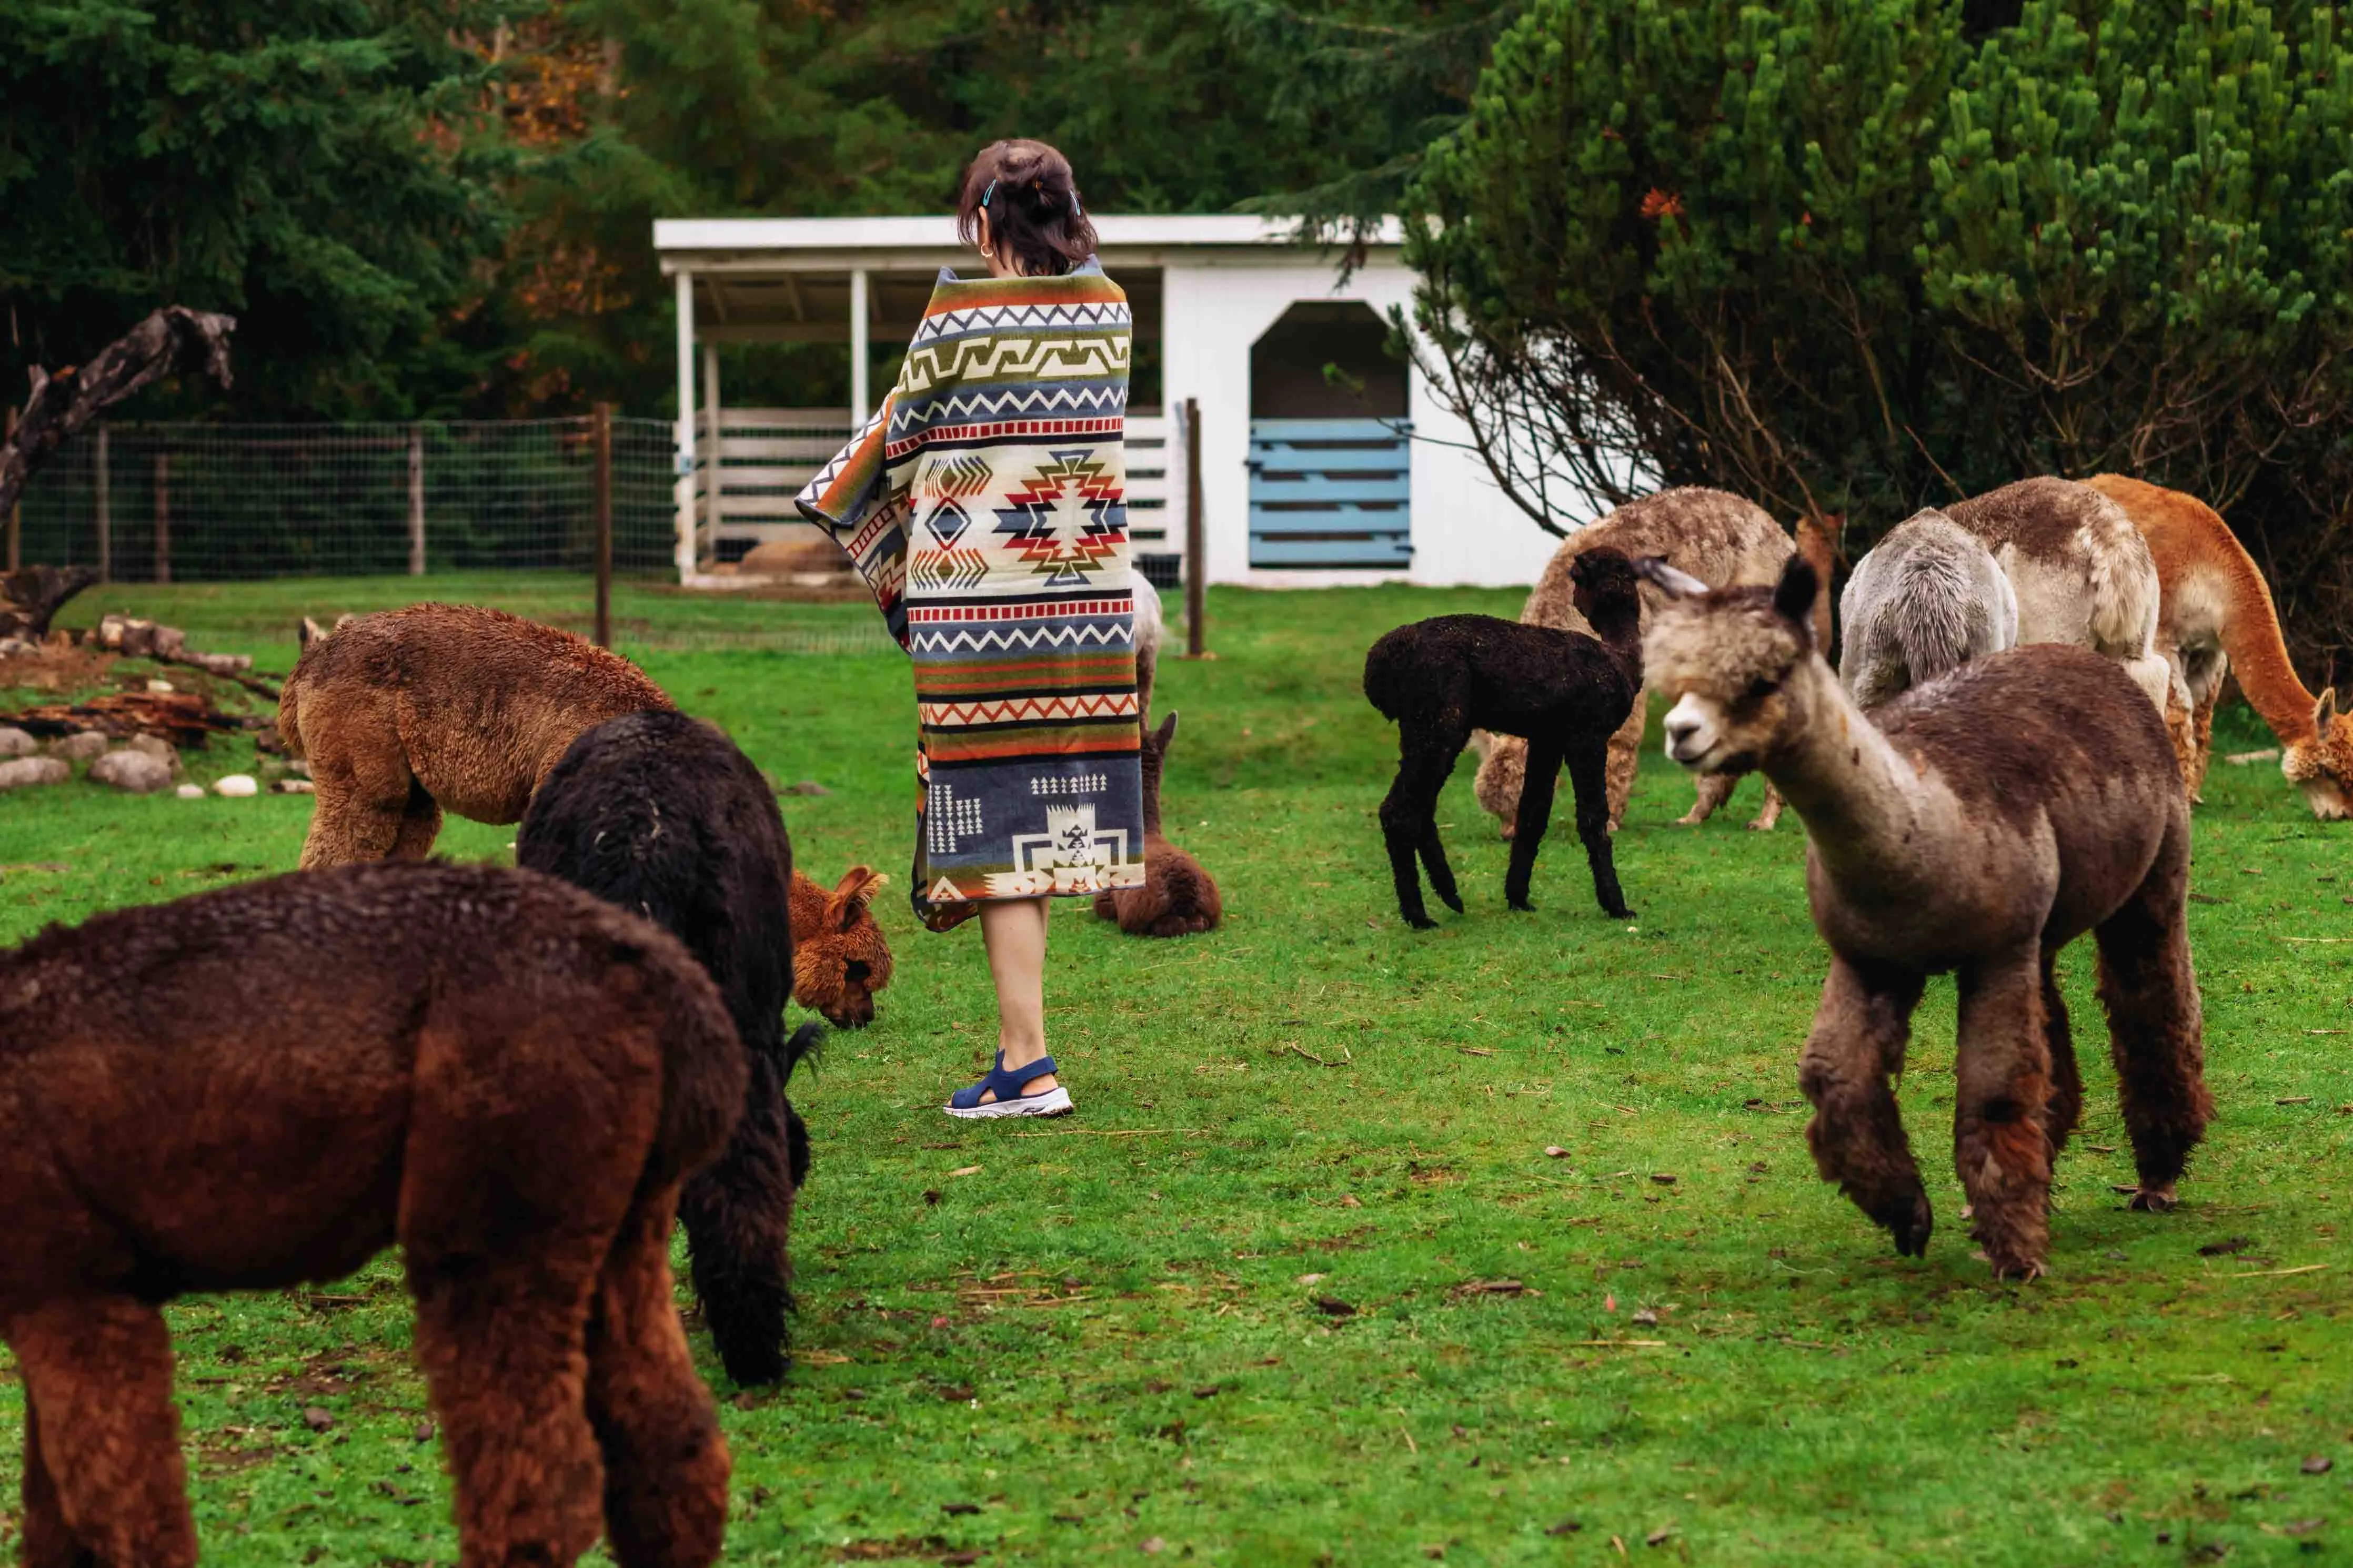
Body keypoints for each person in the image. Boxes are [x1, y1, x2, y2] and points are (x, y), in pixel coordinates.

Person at [796, 138, 1145, 1120]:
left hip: (979, 613)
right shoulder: (1111, 313)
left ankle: (1029, 1066)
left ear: (984, 220)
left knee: (995, 827)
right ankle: (1020, 1052)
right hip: (1083, 608)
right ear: (1069, 215)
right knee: (1038, 823)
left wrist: (837, 495)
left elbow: (895, 446)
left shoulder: (956, 322)